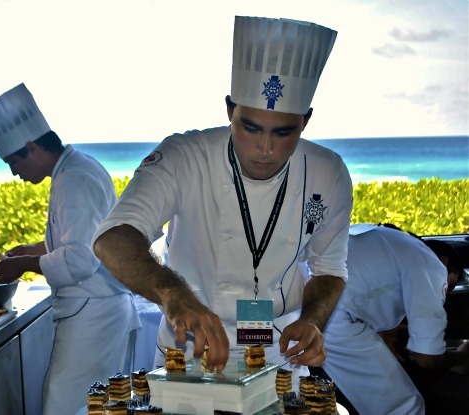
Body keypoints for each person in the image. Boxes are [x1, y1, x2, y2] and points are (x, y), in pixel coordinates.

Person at [92, 16, 353, 377]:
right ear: (230, 111)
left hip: (279, 352)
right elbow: (113, 239)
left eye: (283, 132)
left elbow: (329, 269)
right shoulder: (185, 156)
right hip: (189, 351)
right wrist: (174, 295)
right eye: (250, 128)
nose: (265, 148)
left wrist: (312, 321)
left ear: (305, 121)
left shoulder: (329, 172)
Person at [0, 83, 141, 415]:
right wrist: (30, 250)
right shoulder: (74, 170)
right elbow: (78, 240)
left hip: (94, 315)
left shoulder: (74, 179)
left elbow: (80, 259)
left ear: (32, 147)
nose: (14, 173)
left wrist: (26, 264)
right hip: (96, 312)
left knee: (65, 408)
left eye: (13, 162)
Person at [313, 223, 469, 415]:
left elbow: (363, 289)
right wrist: (462, 356)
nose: (444, 295)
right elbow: (427, 359)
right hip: (331, 315)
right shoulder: (432, 264)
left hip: (310, 298)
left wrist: (378, 334)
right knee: (403, 408)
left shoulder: (390, 243)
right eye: (449, 285)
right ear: (444, 262)